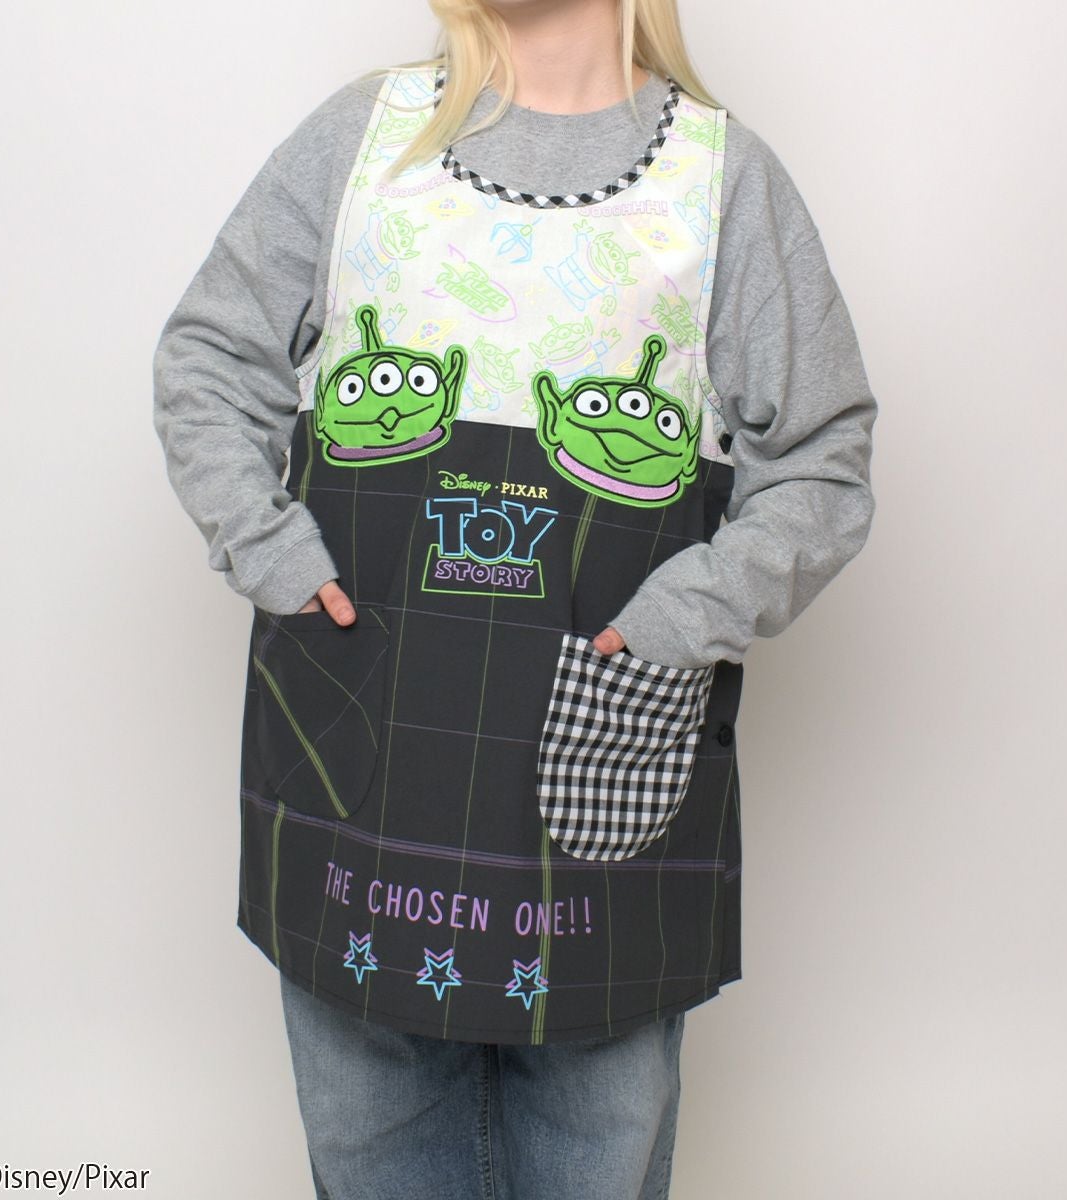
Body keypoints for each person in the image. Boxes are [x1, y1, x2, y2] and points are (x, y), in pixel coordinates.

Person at [152, 0, 878, 1194]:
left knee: (598, 1139)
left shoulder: (720, 181)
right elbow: (210, 359)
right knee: (373, 1145)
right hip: (365, 748)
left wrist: (680, 619)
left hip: (603, 749)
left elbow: (820, 461)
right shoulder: (362, 140)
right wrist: (273, 551)